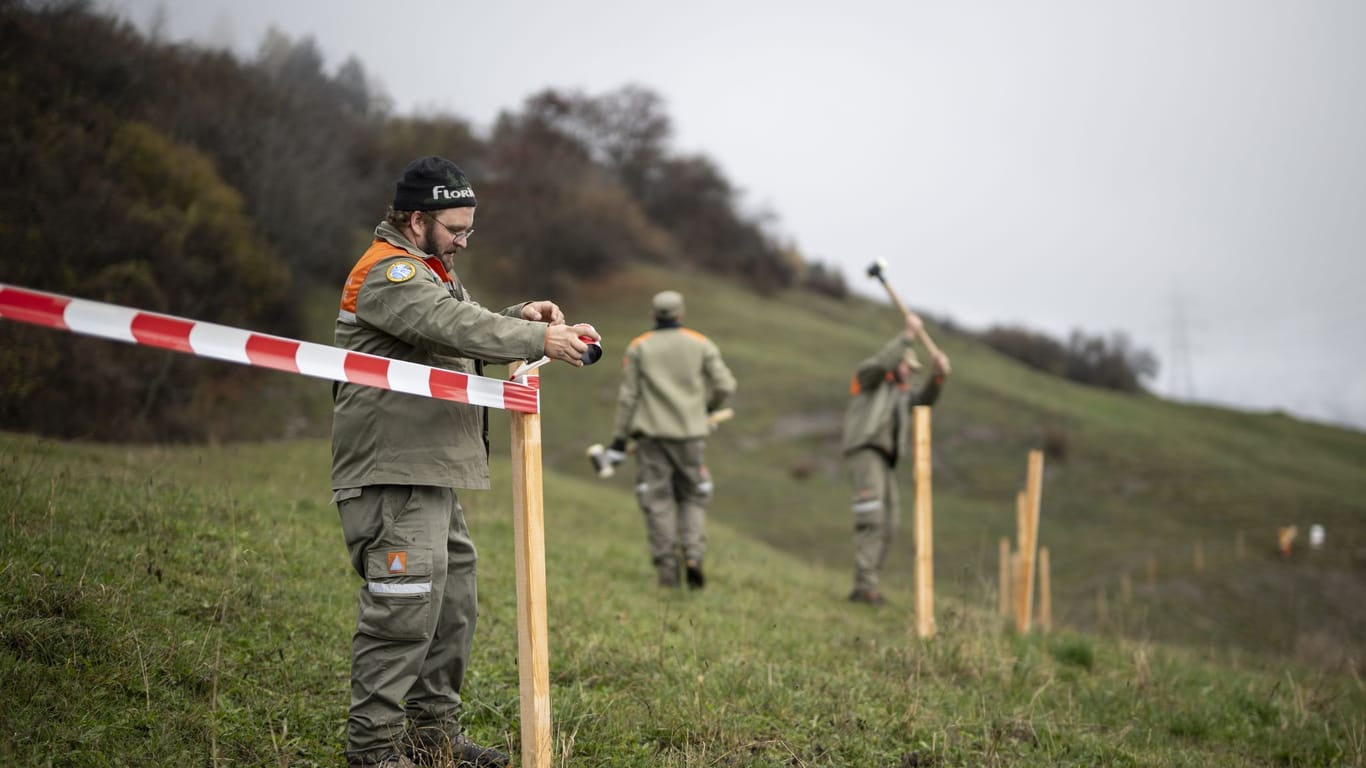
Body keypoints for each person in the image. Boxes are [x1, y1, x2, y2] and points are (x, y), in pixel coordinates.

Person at [331, 156, 598, 768]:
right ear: (417, 219)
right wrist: (538, 340)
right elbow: (448, 326)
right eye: (455, 229)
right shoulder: (389, 274)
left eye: (470, 231)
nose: (463, 242)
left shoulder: (429, 269)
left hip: (431, 475)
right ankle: (372, 751)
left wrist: (518, 318)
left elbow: (455, 332)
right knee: (403, 609)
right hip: (392, 474)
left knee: (452, 609)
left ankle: (432, 736)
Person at [607, 290, 737, 589]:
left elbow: (628, 397)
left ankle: (667, 571)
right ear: (680, 314)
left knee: (658, 500)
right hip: (691, 435)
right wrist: (706, 409)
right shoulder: (701, 343)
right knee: (693, 496)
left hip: (651, 439)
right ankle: (693, 555)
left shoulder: (639, 347)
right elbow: (725, 384)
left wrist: (618, 438)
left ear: (654, 315)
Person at [842, 313, 950, 605]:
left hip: (886, 462)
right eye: (908, 366)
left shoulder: (901, 395)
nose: (910, 372)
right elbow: (881, 364)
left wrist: (938, 376)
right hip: (866, 452)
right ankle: (864, 587)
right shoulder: (870, 379)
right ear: (897, 361)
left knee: (890, 523)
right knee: (872, 517)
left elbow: (923, 401)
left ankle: (870, 584)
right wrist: (907, 336)